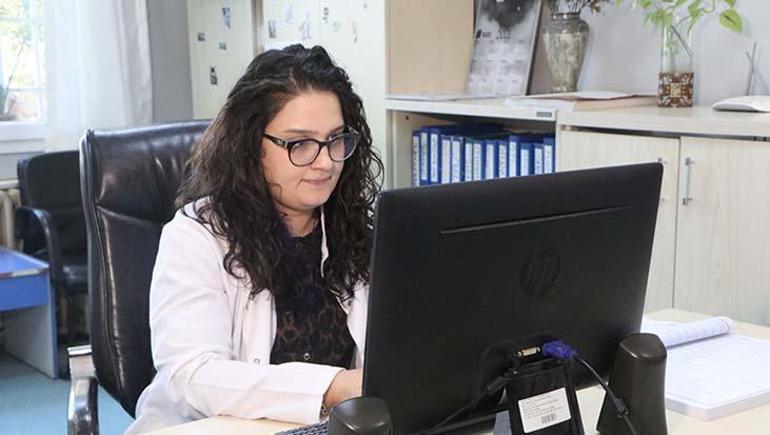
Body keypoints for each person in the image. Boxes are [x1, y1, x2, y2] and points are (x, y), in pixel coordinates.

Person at [126, 45, 383, 434]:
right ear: (251, 146)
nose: (326, 162)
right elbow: (191, 376)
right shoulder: (196, 236)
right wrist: (331, 386)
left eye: (335, 140)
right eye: (300, 143)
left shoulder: (354, 230)